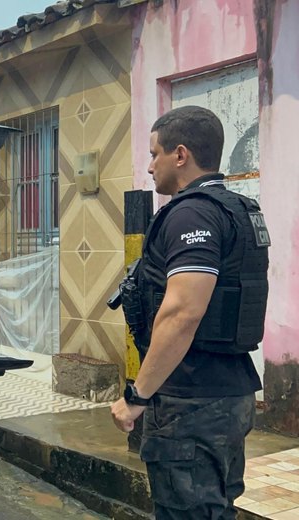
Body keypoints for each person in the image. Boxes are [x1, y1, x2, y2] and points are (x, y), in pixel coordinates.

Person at [111, 106, 269, 519]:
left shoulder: (191, 213)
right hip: (229, 393)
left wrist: (137, 396)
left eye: (154, 154)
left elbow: (183, 312)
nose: (150, 167)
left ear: (180, 155)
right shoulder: (239, 209)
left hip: (192, 402)